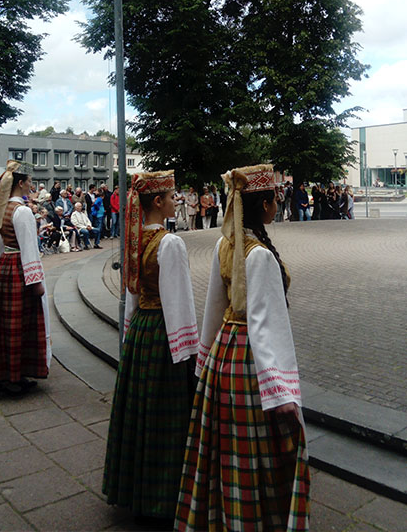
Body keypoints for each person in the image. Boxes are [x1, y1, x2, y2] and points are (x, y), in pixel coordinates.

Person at [174, 164, 310, 532]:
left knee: (226, 448)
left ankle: (224, 517)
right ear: (265, 203)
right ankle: (255, 519)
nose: (279, 202)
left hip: (224, 354)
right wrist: (282, 394)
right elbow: (267, 327)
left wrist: (204, 361)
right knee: (255, 451)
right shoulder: (260, 255)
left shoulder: (226, 243)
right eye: (276, 197)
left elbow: (214, 309)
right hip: (251, 362)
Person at [103, 170, 199, 526]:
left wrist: (128, 336)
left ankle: (137, 492)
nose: (176, 200)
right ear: (157, 202)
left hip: (142, 329)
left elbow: (131, 296)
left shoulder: (134, 241)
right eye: (172, 196)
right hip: (163, 333)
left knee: (139, 412)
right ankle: (164, 495)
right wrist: (190, 354)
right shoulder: (169, 243)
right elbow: (180, 302)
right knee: (164, 414)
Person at [0, 161, 52, 395]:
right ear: (20, 183)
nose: (31, 185)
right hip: (20, 269)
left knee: (5, 324)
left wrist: (1, 265)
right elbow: (30, 248)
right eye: (29, 182)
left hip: (5, 267)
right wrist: (36, 282)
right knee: (22, 324)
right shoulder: (22, 211)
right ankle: (16, 375)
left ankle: (5, 374)